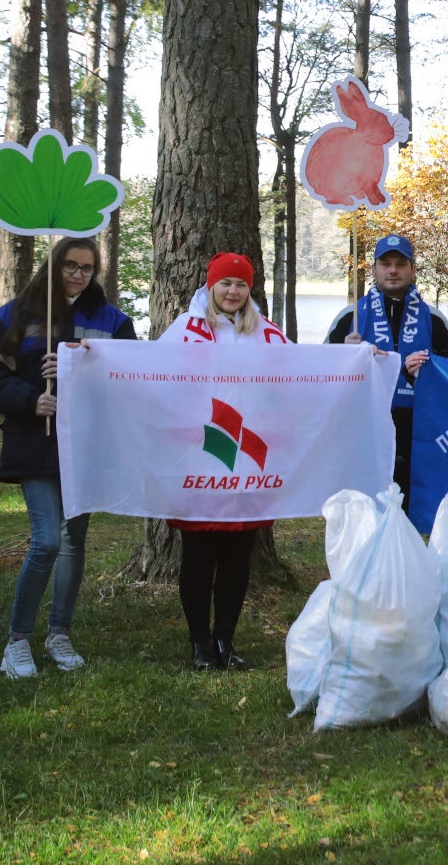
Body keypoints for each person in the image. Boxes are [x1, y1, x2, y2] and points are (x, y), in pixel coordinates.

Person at [0, 235, 138, 679]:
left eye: (86, 268)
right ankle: (17, 641)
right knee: (46, 540)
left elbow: (129, 378)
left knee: (72, 543)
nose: (78, 275)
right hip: (33, 439)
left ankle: (59, 633)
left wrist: (83, 369)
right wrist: (30, 400)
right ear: (54, 265)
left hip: (84, 445)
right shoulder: (17, 314)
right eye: (70, 266)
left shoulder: (112, 319)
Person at [159, 254, 290, 670]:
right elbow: (150, 375)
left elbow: (301, 376)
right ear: (211, 286)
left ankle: (225, 640)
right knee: (198, 554)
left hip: (248, 459)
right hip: (201, 453)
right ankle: (199, 642)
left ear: (249, 289)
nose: (232, 291)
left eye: (240, 284)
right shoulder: (186, 329)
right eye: (225, 283)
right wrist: (91, 359)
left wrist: (353, 360)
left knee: (237, 555)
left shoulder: (266, 333)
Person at [326, 234, 448, 493]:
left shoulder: (434, 319)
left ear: (413, 270)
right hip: (364, 429)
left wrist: (426, 371)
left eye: (401, 263)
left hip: (418, 431)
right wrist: (343, 355)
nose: (393, 270)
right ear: (374, 269)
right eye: (385, 263)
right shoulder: (349, 317)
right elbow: (321, 377)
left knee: (410, 514)